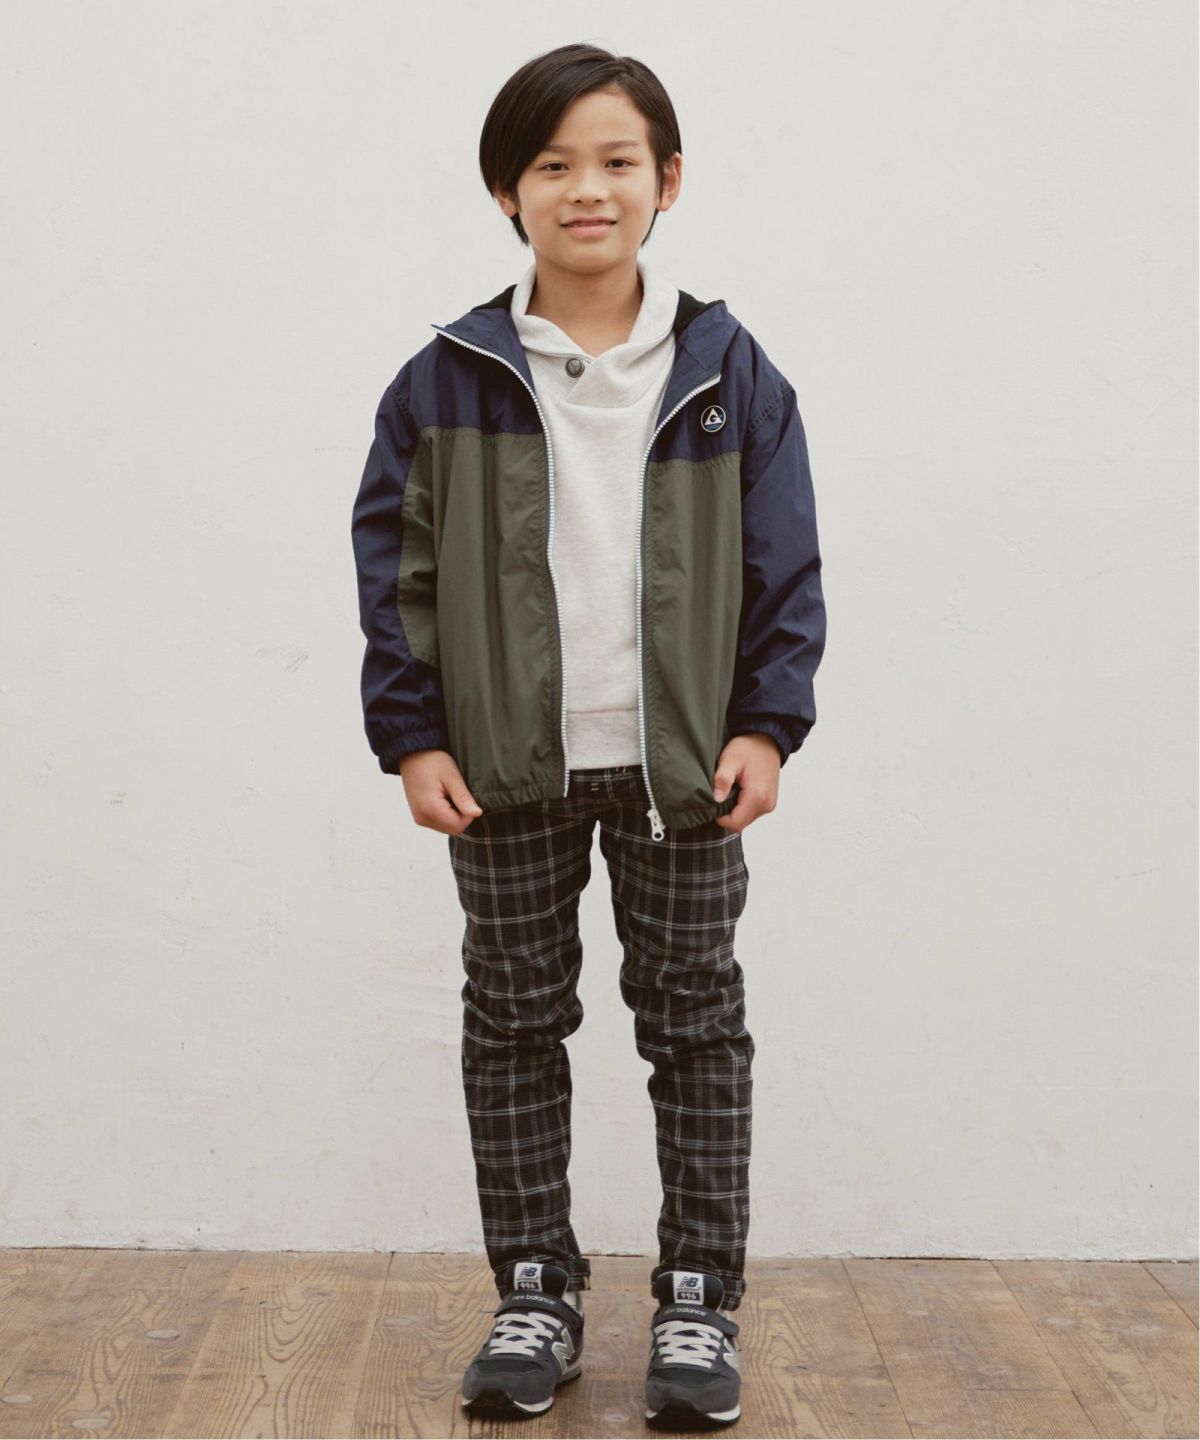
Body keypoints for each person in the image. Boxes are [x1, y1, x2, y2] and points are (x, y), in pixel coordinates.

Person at [350, 41, 826, 1431]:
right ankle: (536, 1291)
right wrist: (412, 736)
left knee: (696, 1020)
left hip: (685, 767)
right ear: (507, 190)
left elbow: (785, 568)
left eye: (617, 160)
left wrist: (768, 725)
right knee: (512, 1020)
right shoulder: (445, 378)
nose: (586, 189)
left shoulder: (733, 373)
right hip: (505, 765)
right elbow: (396, 572)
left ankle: (698, 1298)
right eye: (552, 164)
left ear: (668, 180)